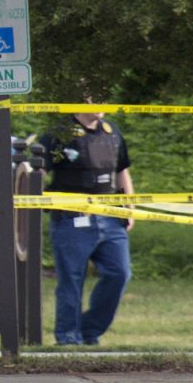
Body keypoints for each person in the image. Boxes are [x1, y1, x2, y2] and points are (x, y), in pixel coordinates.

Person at [39, 107, 134, 345]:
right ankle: (68, 338)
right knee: (72, 279)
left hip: (110, 217)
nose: (101, 103)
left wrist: (129, 207)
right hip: (72, 218)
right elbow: (37, 171)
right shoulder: (59, 135)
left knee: (119, 273)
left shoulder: (111, 132)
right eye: (95, 96)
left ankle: (90, 329)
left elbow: (122, 171)